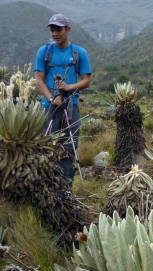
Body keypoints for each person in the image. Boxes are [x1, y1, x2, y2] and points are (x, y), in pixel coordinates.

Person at [34, 14, 91, 186]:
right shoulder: (44, 52)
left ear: (68, 29)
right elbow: (39, 80)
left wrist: (69, 88)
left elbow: (86, 81)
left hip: (71, 105)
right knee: (47, 144)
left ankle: (66, 185)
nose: (55, 33)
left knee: (69, 145)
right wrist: (51, 98)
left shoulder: (79, 53)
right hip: (50, 106)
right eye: (52, 30)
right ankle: (47, 183)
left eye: (59, 29)